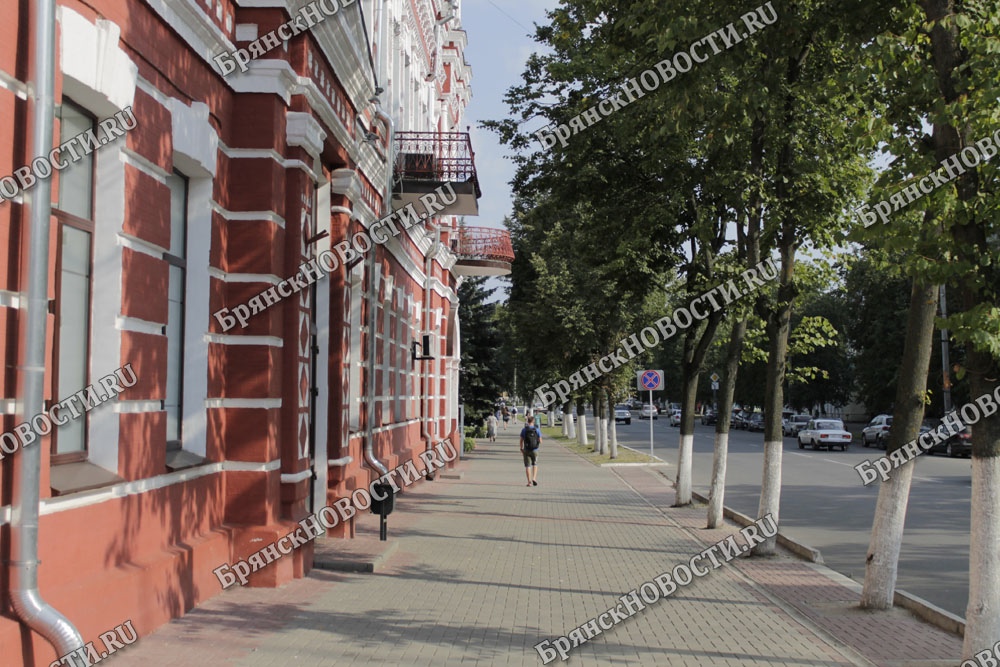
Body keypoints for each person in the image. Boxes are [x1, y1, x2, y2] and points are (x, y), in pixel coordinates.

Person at [519, 415, 542, 486]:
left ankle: (529, 482)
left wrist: (521, 448)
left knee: (527, 466)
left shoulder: (524, 430)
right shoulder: (537, 429)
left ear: (527, 421)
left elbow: (521, 440)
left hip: (526, 449)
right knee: (535, 464)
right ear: (533, 421)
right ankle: (534, 478)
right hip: (535, 449)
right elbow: (540, 441)